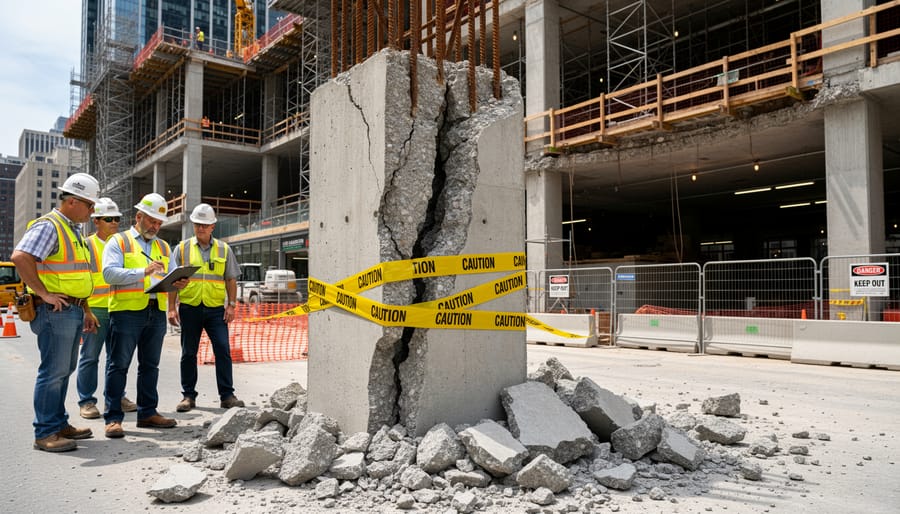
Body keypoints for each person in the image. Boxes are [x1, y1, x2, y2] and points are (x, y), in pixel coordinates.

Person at [11, 172, 100, 452]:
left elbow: (78, 277)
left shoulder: (73, 231)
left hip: (72, 309)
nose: (92, 211)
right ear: (72, 201)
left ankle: (58, 423)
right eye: (90, 205)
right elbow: (20, 257)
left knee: (64, 369)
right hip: (55, 311)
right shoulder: (50, 226)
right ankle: (46, 432)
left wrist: (86, 309)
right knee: (53, 371)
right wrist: (44, 293)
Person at [101, 193, 187, 438]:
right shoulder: (119, 241)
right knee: (118, 365)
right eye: (151, 221)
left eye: (159, 223)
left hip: (155, 311)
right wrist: (143, 271)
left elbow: (170, 275)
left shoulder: (164, 247)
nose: (155, 226)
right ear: (138, 217)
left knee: (150, 366)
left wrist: (178, 283)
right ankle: (113, 418)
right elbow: (109, 274)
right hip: (126, 312)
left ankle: (147, 413)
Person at [168, 203, 244, 412]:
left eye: (204, 225)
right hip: (190, 307)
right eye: (197, 224)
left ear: (212, 226)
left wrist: (231, 305)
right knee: (188, 353)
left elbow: (231, 279)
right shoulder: (182, 249)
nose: (200, 228)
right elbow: (172, 280)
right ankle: (188, 396)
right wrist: (171, 308)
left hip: (215, 310)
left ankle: (227, 396)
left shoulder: (224, 249)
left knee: (223, 350)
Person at [75, 198, 138, 419]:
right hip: (96, 309)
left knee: (117, 359)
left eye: (117, 219)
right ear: (96, 221)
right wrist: (86, 310)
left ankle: (116, 398)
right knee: (90, 356)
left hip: (118, 307)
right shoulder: (87, 245)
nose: (114, 223)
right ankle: (87, 401)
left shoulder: (123, 244)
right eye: (109, 219)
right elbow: (80, 279)